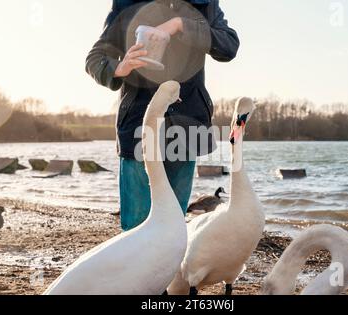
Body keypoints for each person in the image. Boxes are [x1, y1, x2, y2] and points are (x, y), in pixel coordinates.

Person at [86, 0, 239, 231]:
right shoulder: (127, 5)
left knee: (173, 228)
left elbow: (228, 47)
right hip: (139, 127)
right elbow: (95, 59)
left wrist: (180, 24)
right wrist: (120, 68)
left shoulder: (204, 5)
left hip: (188, 128)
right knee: (136, 228)